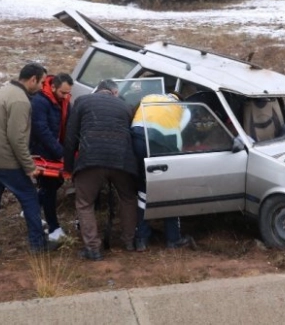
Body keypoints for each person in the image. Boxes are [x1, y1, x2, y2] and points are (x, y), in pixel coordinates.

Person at [0, 62, 60, 257]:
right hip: (4, 160)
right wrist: (29, 166)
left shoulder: (6, 90)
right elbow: (17, 138)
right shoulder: (21, 101)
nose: (42, 87)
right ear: (32, 80)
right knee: (30, 198)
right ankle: (38, 244)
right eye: (41, 83)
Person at [63, 79, 138, 261]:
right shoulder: (125, 106)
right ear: (114, 92)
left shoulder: (82, 102)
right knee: (128, 198)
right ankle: (129, 241)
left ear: (98, 90)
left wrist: (69, 168)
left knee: (84, 203)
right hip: (122, 160)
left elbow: (70, 136)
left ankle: (93, 249)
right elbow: (132, 135)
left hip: (91, 159)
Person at [131, 93, 195, 251]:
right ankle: (173, 239)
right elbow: (183, 130)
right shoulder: (183, 108)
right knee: (170, 191)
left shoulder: (149, 97)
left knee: (143, 190)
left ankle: (141, 239)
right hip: (161, 144)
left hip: (137, 139)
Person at [29, 72, 73, 242]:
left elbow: (69, 124)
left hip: (56, 150)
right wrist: (61, 153)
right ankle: (54, 227)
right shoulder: (40, 101)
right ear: (53, 87)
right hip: (43, 152)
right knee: (50, 189)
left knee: (57, 183)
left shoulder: (65, 101)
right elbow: (42, 131)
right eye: (63, 92)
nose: (66, 96)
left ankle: (32, 206)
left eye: (68, 92)